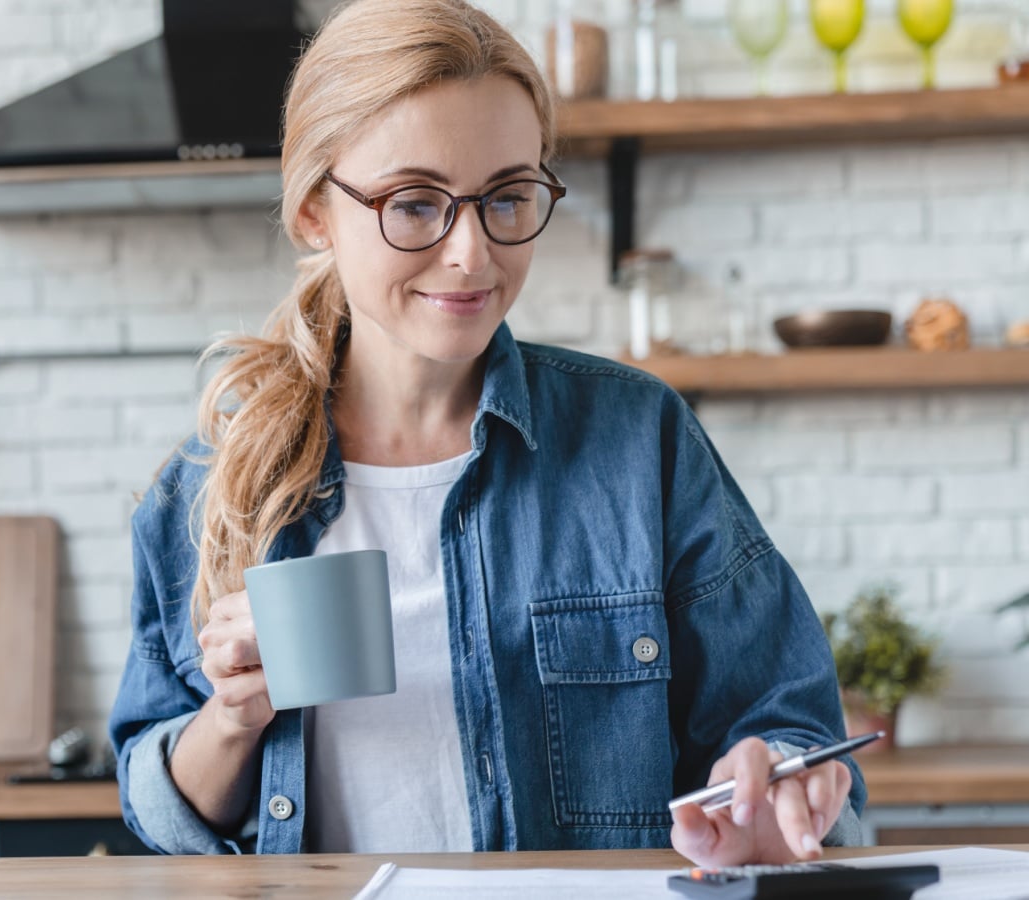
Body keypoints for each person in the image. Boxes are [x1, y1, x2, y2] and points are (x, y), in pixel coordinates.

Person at [108, 0, 863, 863]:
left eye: (507, 196)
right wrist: (234, 719)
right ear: (316, 208)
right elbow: (156, 803)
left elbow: (782, 718)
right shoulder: (210, 485)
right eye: (415, 203)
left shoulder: (636, 441)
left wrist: (784, 790)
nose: (472, 252)